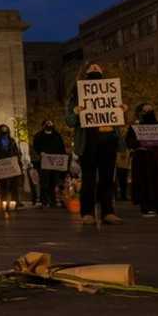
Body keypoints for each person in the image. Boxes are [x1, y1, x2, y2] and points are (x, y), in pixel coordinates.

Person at [64, 63, 125, 226]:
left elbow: (118, 118)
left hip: (108, 141)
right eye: (92, 72)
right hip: (88, 142)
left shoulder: (110, 91)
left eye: (98, 71)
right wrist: (76, 112)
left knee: (107, 178)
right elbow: (69, 121)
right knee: (89, 178)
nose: (95, 73)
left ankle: (108, 212)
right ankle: (87, 213)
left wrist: (121, 111)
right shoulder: (76, 96)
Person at [125, 103, 158, 217]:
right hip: (143, 159)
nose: (148, 113)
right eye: (145, 111)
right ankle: (147, 207)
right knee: (145, 183)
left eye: (150, 110)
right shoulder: (135, 127)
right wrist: (139, 144)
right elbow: (129, 142)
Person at [31, 119, 66, 208]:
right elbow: (35, 147)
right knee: (44, 182)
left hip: (55, 163)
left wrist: (62, 158)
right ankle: (44, 201)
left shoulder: (57, 135)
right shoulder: (39, 136)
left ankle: (53, 201)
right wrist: (40, 153)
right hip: (44, 163)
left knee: (53, 182)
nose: (49, 125)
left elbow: (62, 148)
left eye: (51, 123)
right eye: (48, 123)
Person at [0, 125, 23, 208]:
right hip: (2, 165)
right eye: (2, 130)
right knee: (3, 184)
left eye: (6, 130)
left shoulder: (12, 140)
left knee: (14, 184)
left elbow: (16, 151)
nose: (4, 131)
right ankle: (4, 201)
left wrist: (17, 158)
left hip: (11, 164)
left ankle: (16, 201)